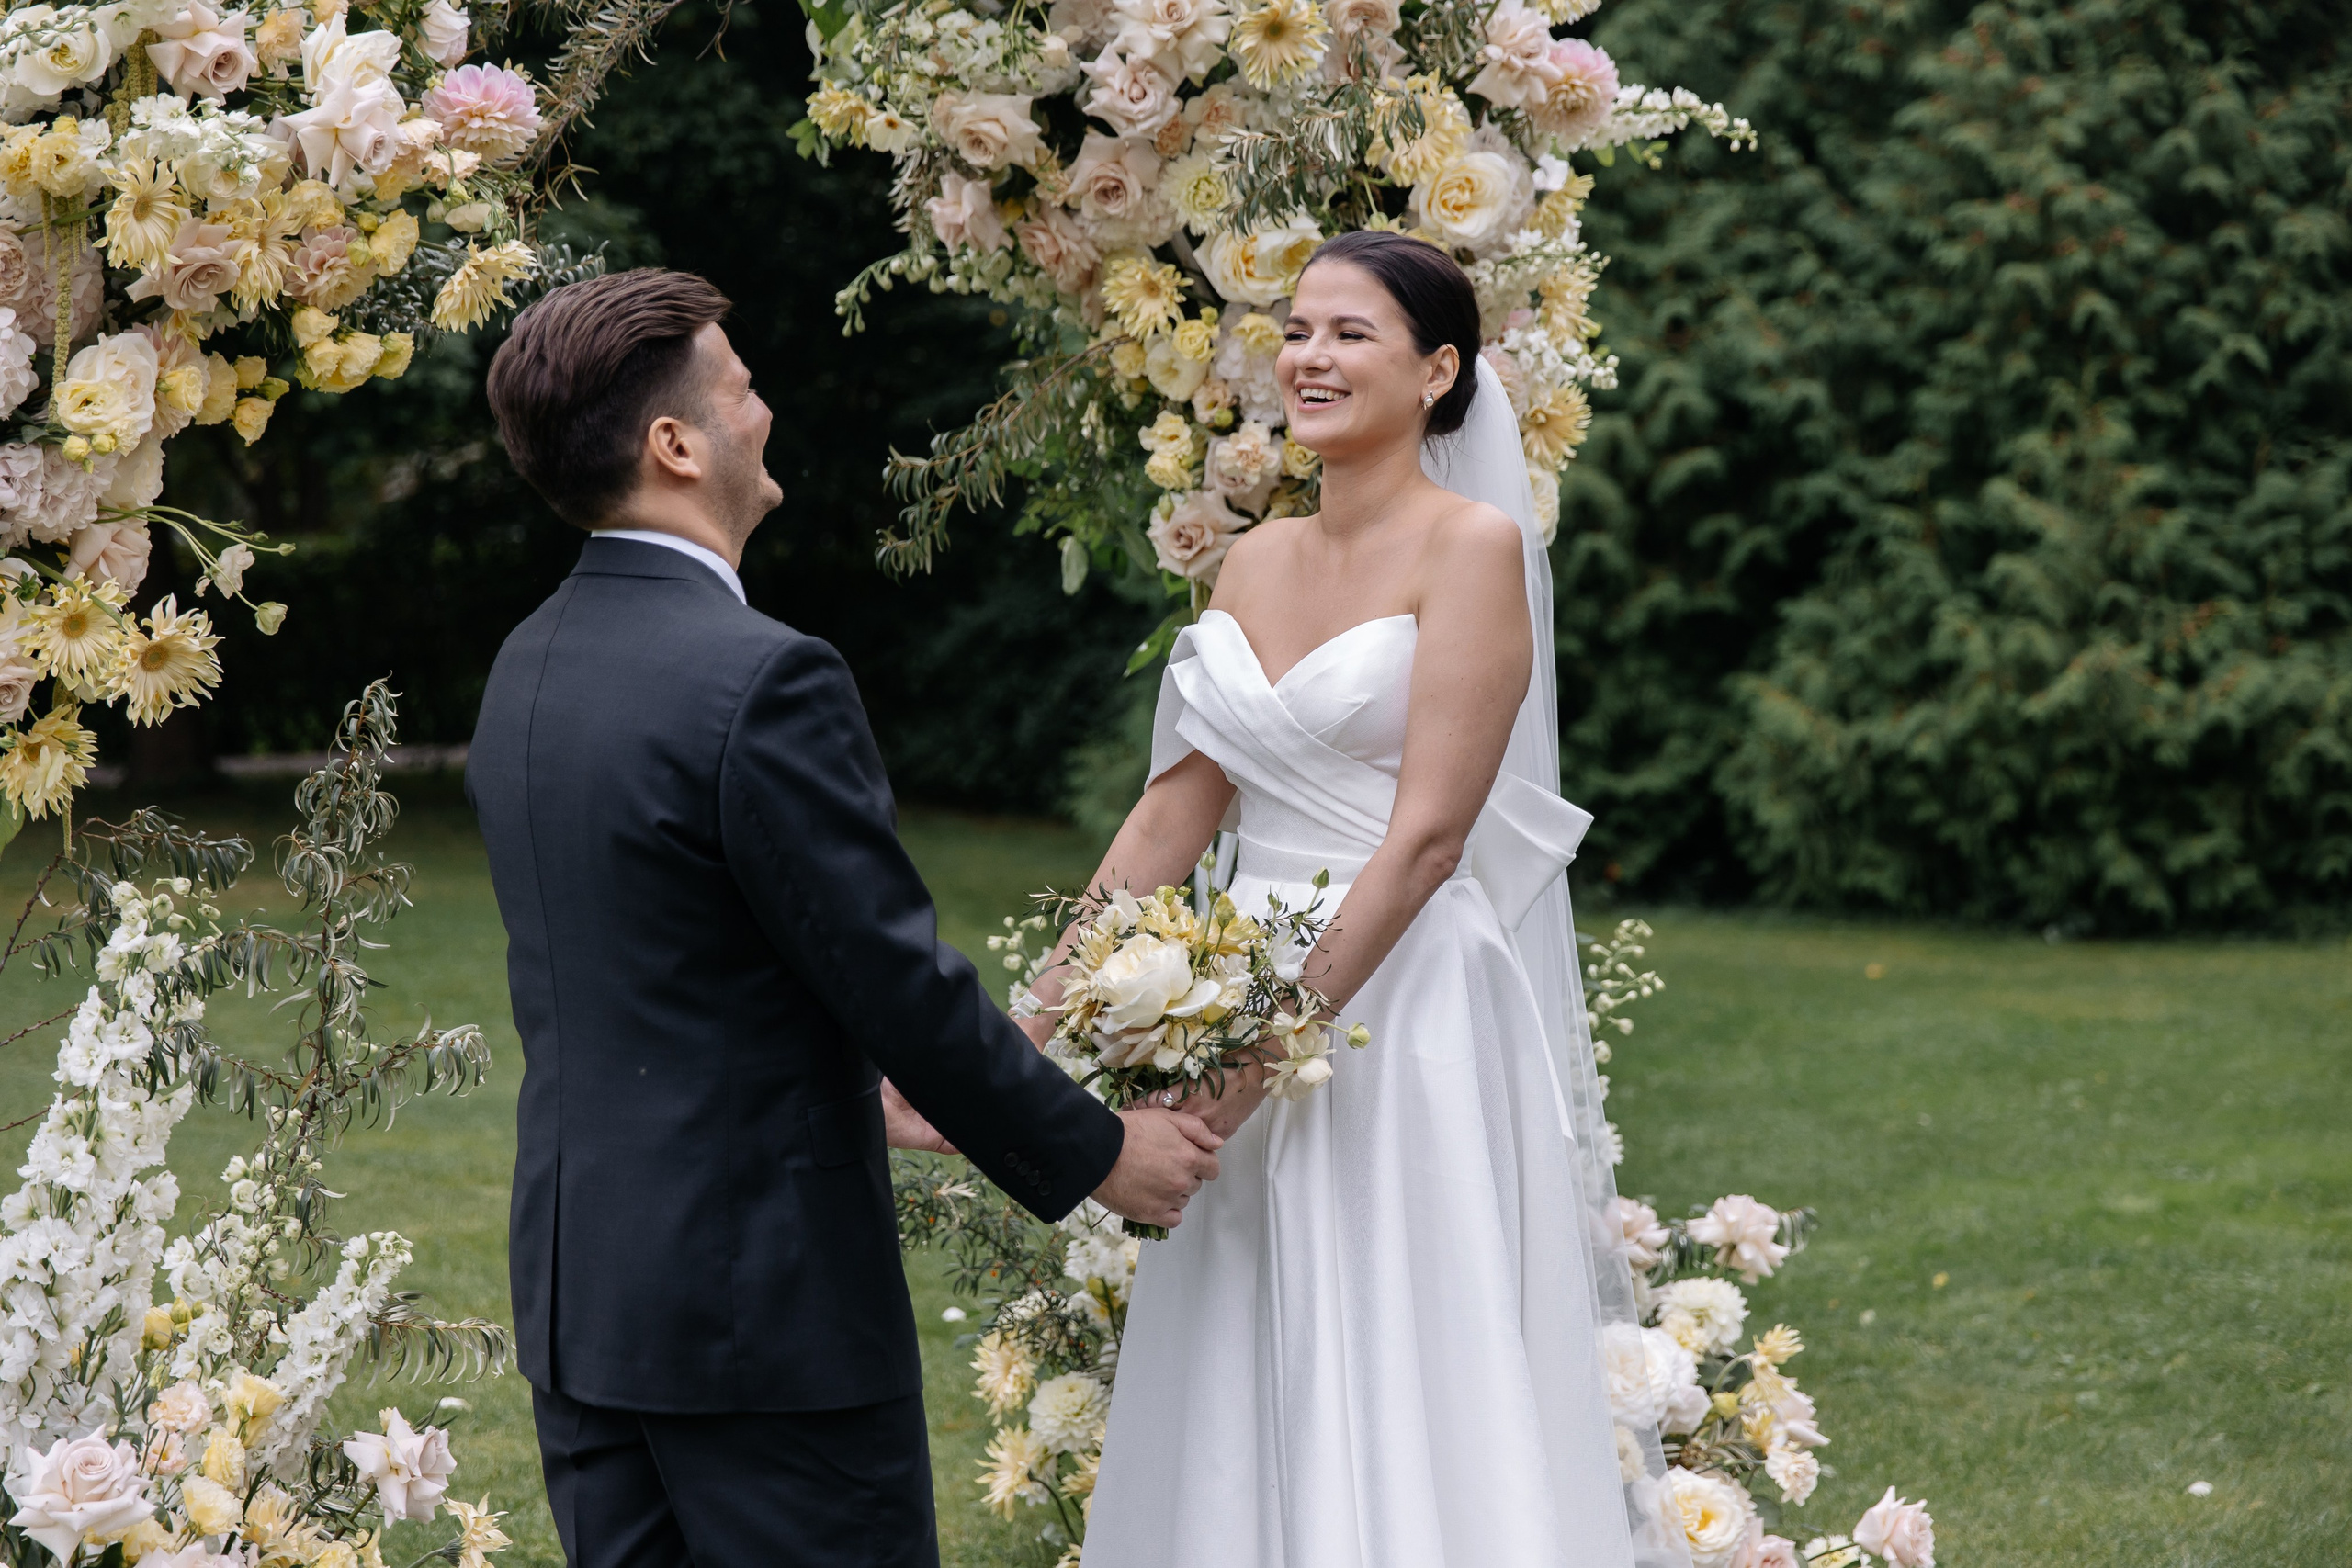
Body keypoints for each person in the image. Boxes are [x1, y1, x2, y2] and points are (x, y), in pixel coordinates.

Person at [464, 267, 1224, 1568]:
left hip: (587, 1293)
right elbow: (895, 980)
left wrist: (854, 1086)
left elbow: (674, 953)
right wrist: (1098, 1155)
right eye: (744, 387)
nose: (767, 412)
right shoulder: (762, 681)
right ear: (676, 444)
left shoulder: (528, 662)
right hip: (762, 1313)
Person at [1038, 232, 1684, 1566]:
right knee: (1235, 1335)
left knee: (1404, 1344)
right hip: (1218, 988)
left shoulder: (1473, 549)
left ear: (1440, 372)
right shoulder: (1254, 558)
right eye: (1297, 330)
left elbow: (1431, 837)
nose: (1309, 358)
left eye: (1350, 334)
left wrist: (1250, 1064)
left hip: (1397, 1008)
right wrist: (1032, 1025)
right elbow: (1172, 812)